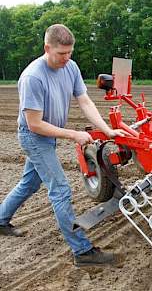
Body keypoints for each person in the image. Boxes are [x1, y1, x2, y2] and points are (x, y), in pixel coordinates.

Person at [0, 24, 127, 266]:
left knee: (29, 183)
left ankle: (0, 219)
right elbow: (35, 124)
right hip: (34, 137)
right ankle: (82, 252)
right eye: (61, 54)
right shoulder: (32, 77)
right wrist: (74, 134)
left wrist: (107, 130)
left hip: (49, 135)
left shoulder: (70, 67)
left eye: (70, 53)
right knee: (60, 190)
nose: (66, 58)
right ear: (47, 48)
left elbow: (85, 101)